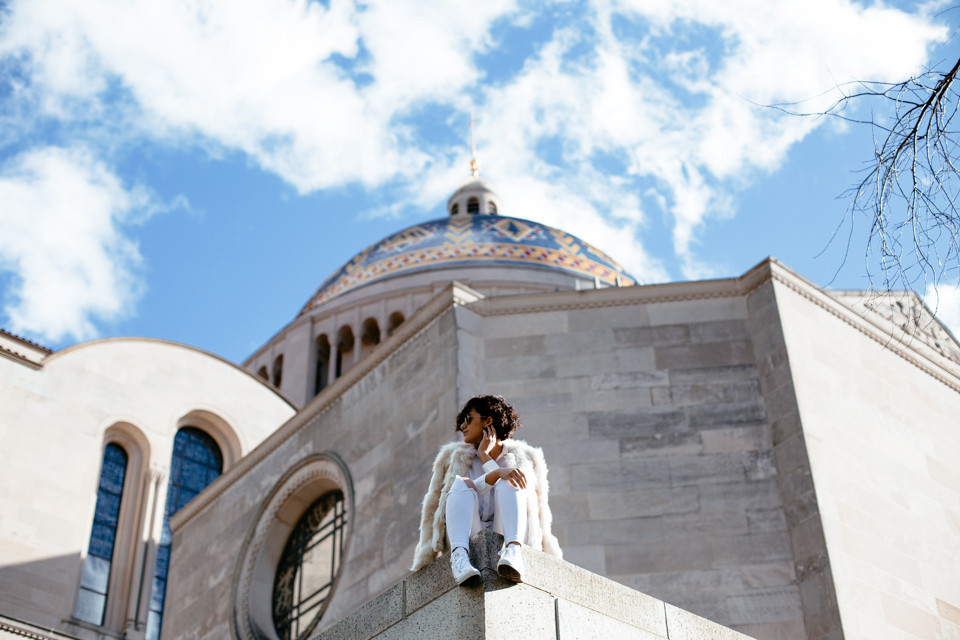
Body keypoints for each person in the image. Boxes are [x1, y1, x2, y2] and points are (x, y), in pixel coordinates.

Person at [410, 395, 562, 584]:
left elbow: (538, 510)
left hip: (509, 533)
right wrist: (492, 468)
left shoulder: (526, 457)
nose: (462, 427)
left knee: (510, 480)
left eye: (468, 419)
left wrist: (490, 463)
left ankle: (513, 552)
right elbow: (433, 510)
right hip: (466, 535)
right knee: (460, 483)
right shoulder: (453, 457)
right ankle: (459, 559)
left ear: (488, 421)